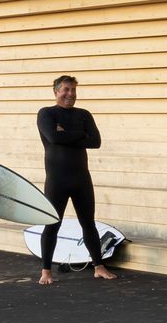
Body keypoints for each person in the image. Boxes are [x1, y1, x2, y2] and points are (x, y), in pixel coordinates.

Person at [36, 75, 116, 284]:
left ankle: (98, 266)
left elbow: (96, 141)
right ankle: (46, 270)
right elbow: (54, 138)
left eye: (73, 90)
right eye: (66, 90)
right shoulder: (46, 113)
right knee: (52, 224)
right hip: (57, 180)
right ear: (56, 92)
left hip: (81, 178)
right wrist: (80, 135)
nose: (70, 94)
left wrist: (66, 133)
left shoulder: (83, 114)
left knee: (88, 223)